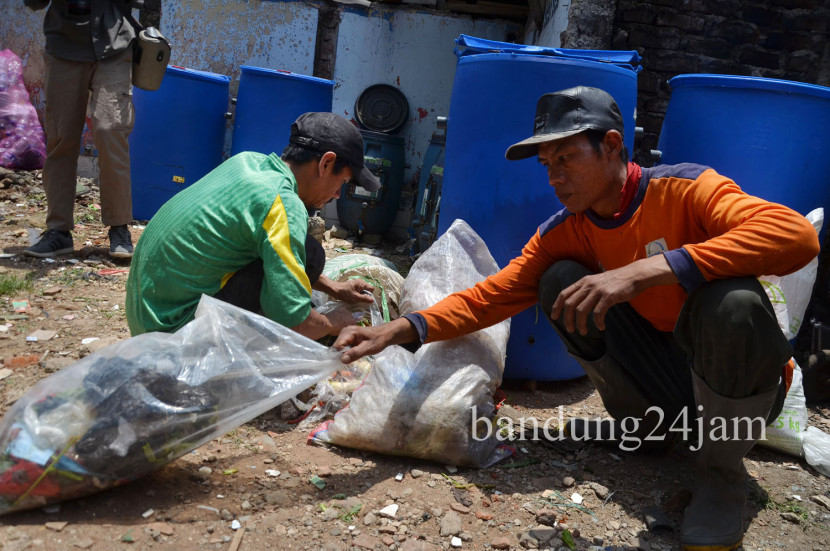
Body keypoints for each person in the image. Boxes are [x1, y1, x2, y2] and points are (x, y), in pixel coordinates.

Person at [334, 87, 820, 550]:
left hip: (735, 387)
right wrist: (397, 329)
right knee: (560, 280)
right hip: (665, 381)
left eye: (566, 159)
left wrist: (648, 270)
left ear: (612, 146)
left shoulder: (686, 190)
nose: (554, 177)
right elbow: (489, 297)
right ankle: (646, 428)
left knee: (732, 301)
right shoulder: (567, 231)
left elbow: (796, 236)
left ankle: (722, 477)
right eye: (547, 165)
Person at [126, 112, 379, 340]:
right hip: (173, 336)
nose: (337, 194)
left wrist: (332, 287)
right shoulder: (284, 205)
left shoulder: (248, 161)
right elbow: (293, 321)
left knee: (303, 255)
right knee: (311, 255)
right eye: (341, 182)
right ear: (325, 163)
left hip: (148, 319)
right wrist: (333, 323)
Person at [23, 0, 140, 259]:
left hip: (113, 44)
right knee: (62, 137)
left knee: (110, 129)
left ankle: (119, 226)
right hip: (64, 46)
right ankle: (58, 231)